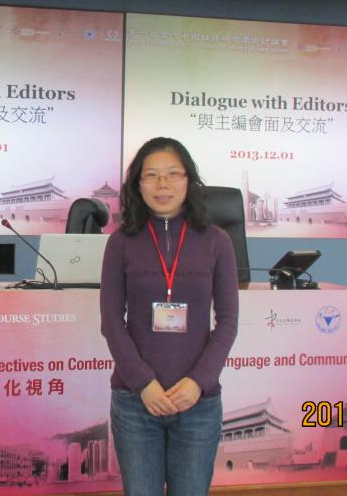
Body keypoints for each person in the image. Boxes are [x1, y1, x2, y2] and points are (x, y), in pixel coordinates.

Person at [100, 136, 239, 496]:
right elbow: (112, 322)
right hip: (135, 401)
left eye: (173, 174)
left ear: (189, 180)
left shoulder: (217, 241)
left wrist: (198, 382)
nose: (163, 184)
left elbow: (227, 321)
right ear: (138, 184)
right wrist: (143, 383)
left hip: (198, 402)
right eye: (152, 175)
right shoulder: (121, 242)